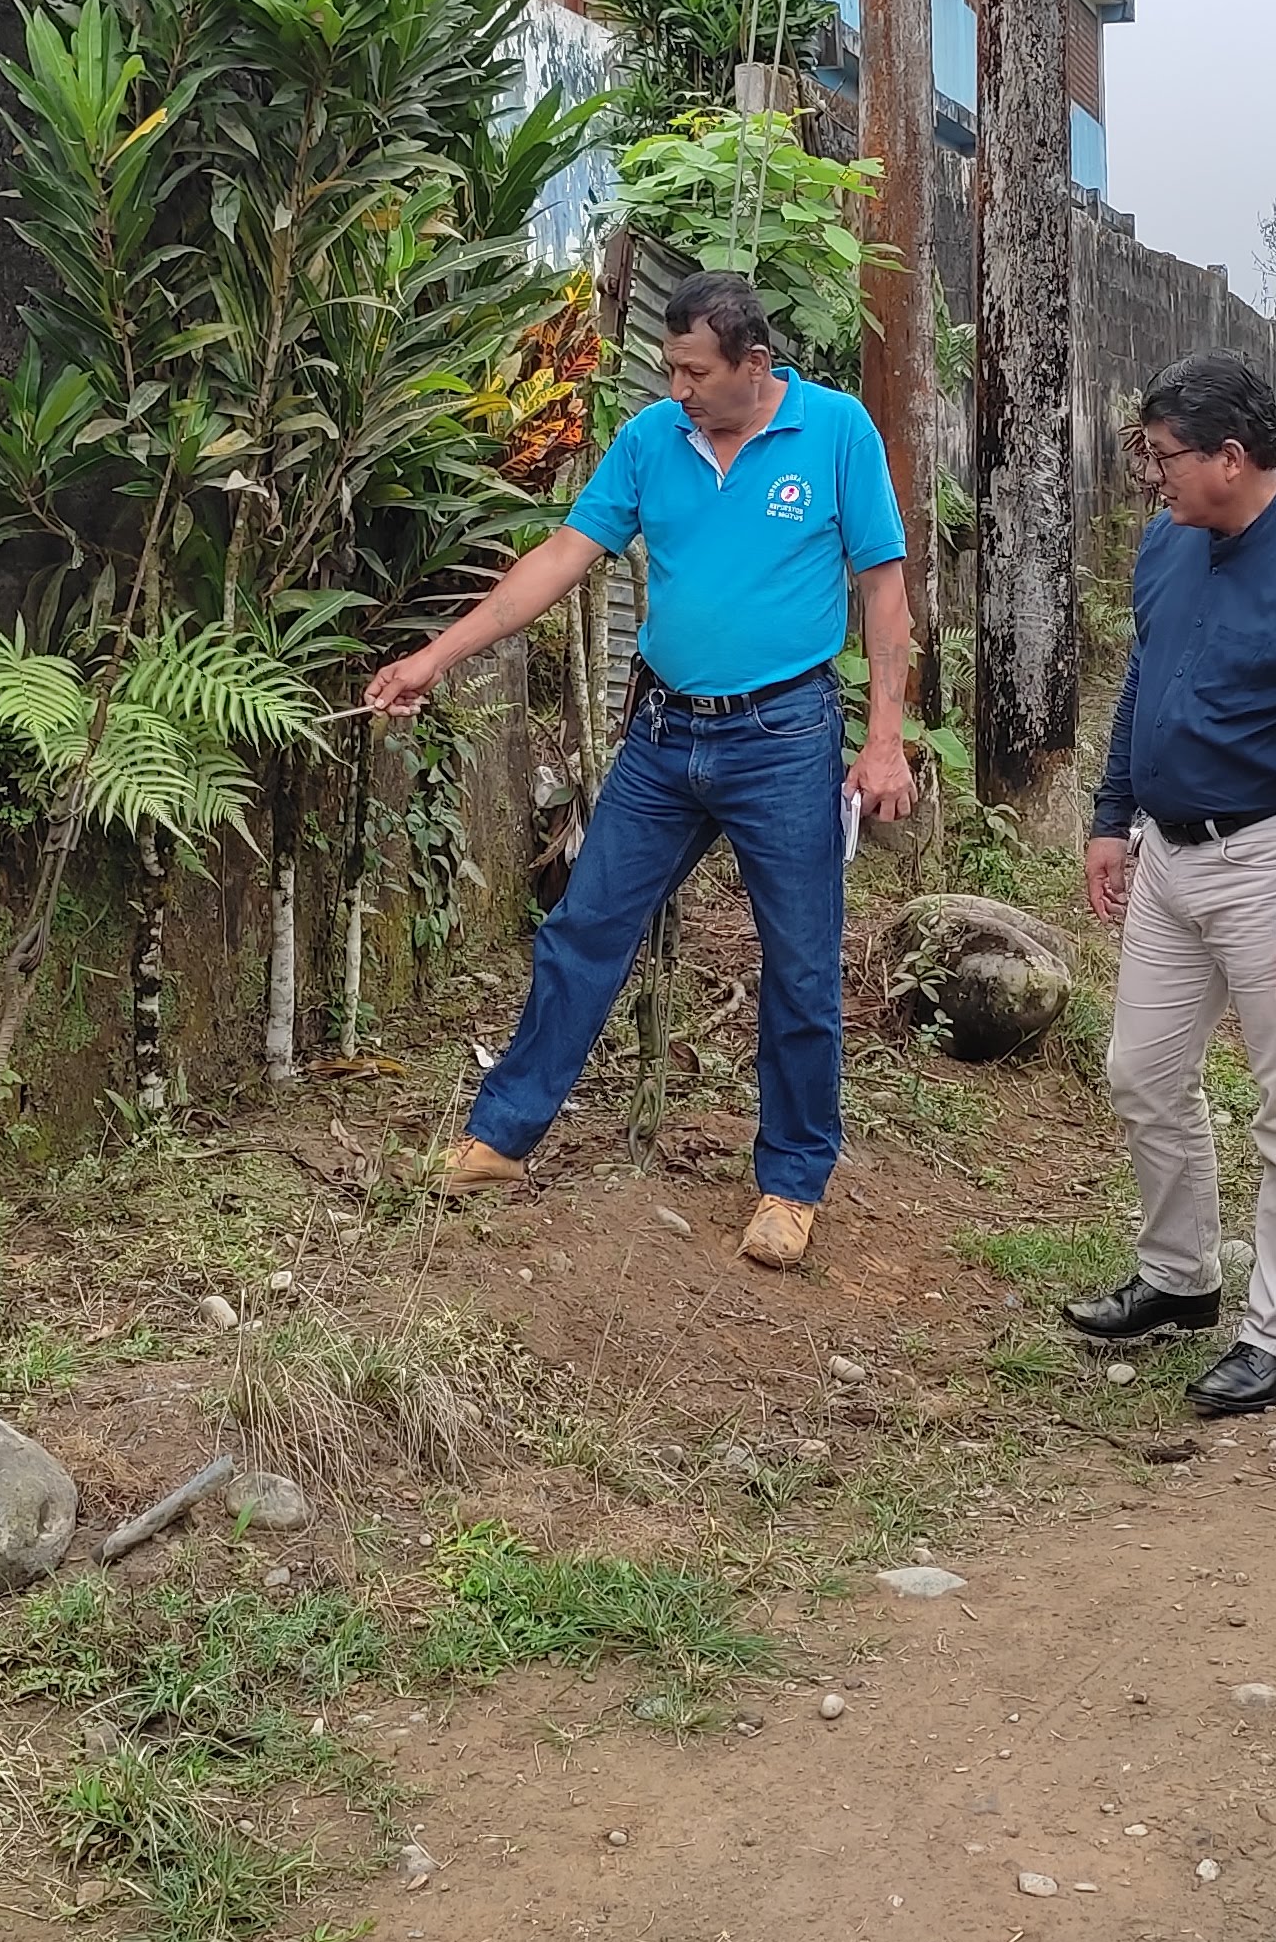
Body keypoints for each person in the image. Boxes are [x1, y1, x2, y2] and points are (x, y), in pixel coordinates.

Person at [364, 272, 915, 1268]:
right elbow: (559, 558)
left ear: (755, 363)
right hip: (664, 738)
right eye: (670, 369)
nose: (677, 389)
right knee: (582, 930)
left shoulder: (836, 431)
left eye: (694, 372)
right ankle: (500, 1140)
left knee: (799, 966)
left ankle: (792, 1184)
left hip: (784, 738)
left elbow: (883, 594)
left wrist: (883, 740)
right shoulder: (650, 440)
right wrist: (433, 659)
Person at [1061, 352, 1276, 1418]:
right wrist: (1111, 815)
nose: (1150, 475)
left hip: (1273, 861)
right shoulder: (1170, 541)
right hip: (1168, 854)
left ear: (1230, 456)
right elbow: (1144, 679)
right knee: (1143, 1072)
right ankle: (1179, 1275)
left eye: (1164, 457)